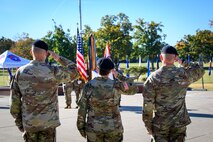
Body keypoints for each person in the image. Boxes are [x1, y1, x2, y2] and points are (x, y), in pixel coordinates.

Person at [10, 40, 79, 142]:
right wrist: (59, 58)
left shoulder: (20, 72)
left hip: (29, 123)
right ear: (47, 53)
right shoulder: (53, 71)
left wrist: (20, 124)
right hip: (48, 123)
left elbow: (14, 103)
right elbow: (75, 71)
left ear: (31, 52)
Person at [142, 45, 205, 142]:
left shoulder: (153, 78)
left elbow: (148, 106)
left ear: (161, 57)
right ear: (175, 58)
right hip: (178, 124)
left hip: (160, 125)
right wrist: (182, 61)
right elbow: (200, 70)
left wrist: (148, 127)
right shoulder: (183, 74)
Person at [77, 57, 138, 142]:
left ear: (97, 69)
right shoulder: (116, 85)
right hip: (113, 128)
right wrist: (119, 76)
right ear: (110, 71)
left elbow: (82, 109)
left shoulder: (88, 86)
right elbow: (133, 89)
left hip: (94, 128)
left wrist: (80, 127)